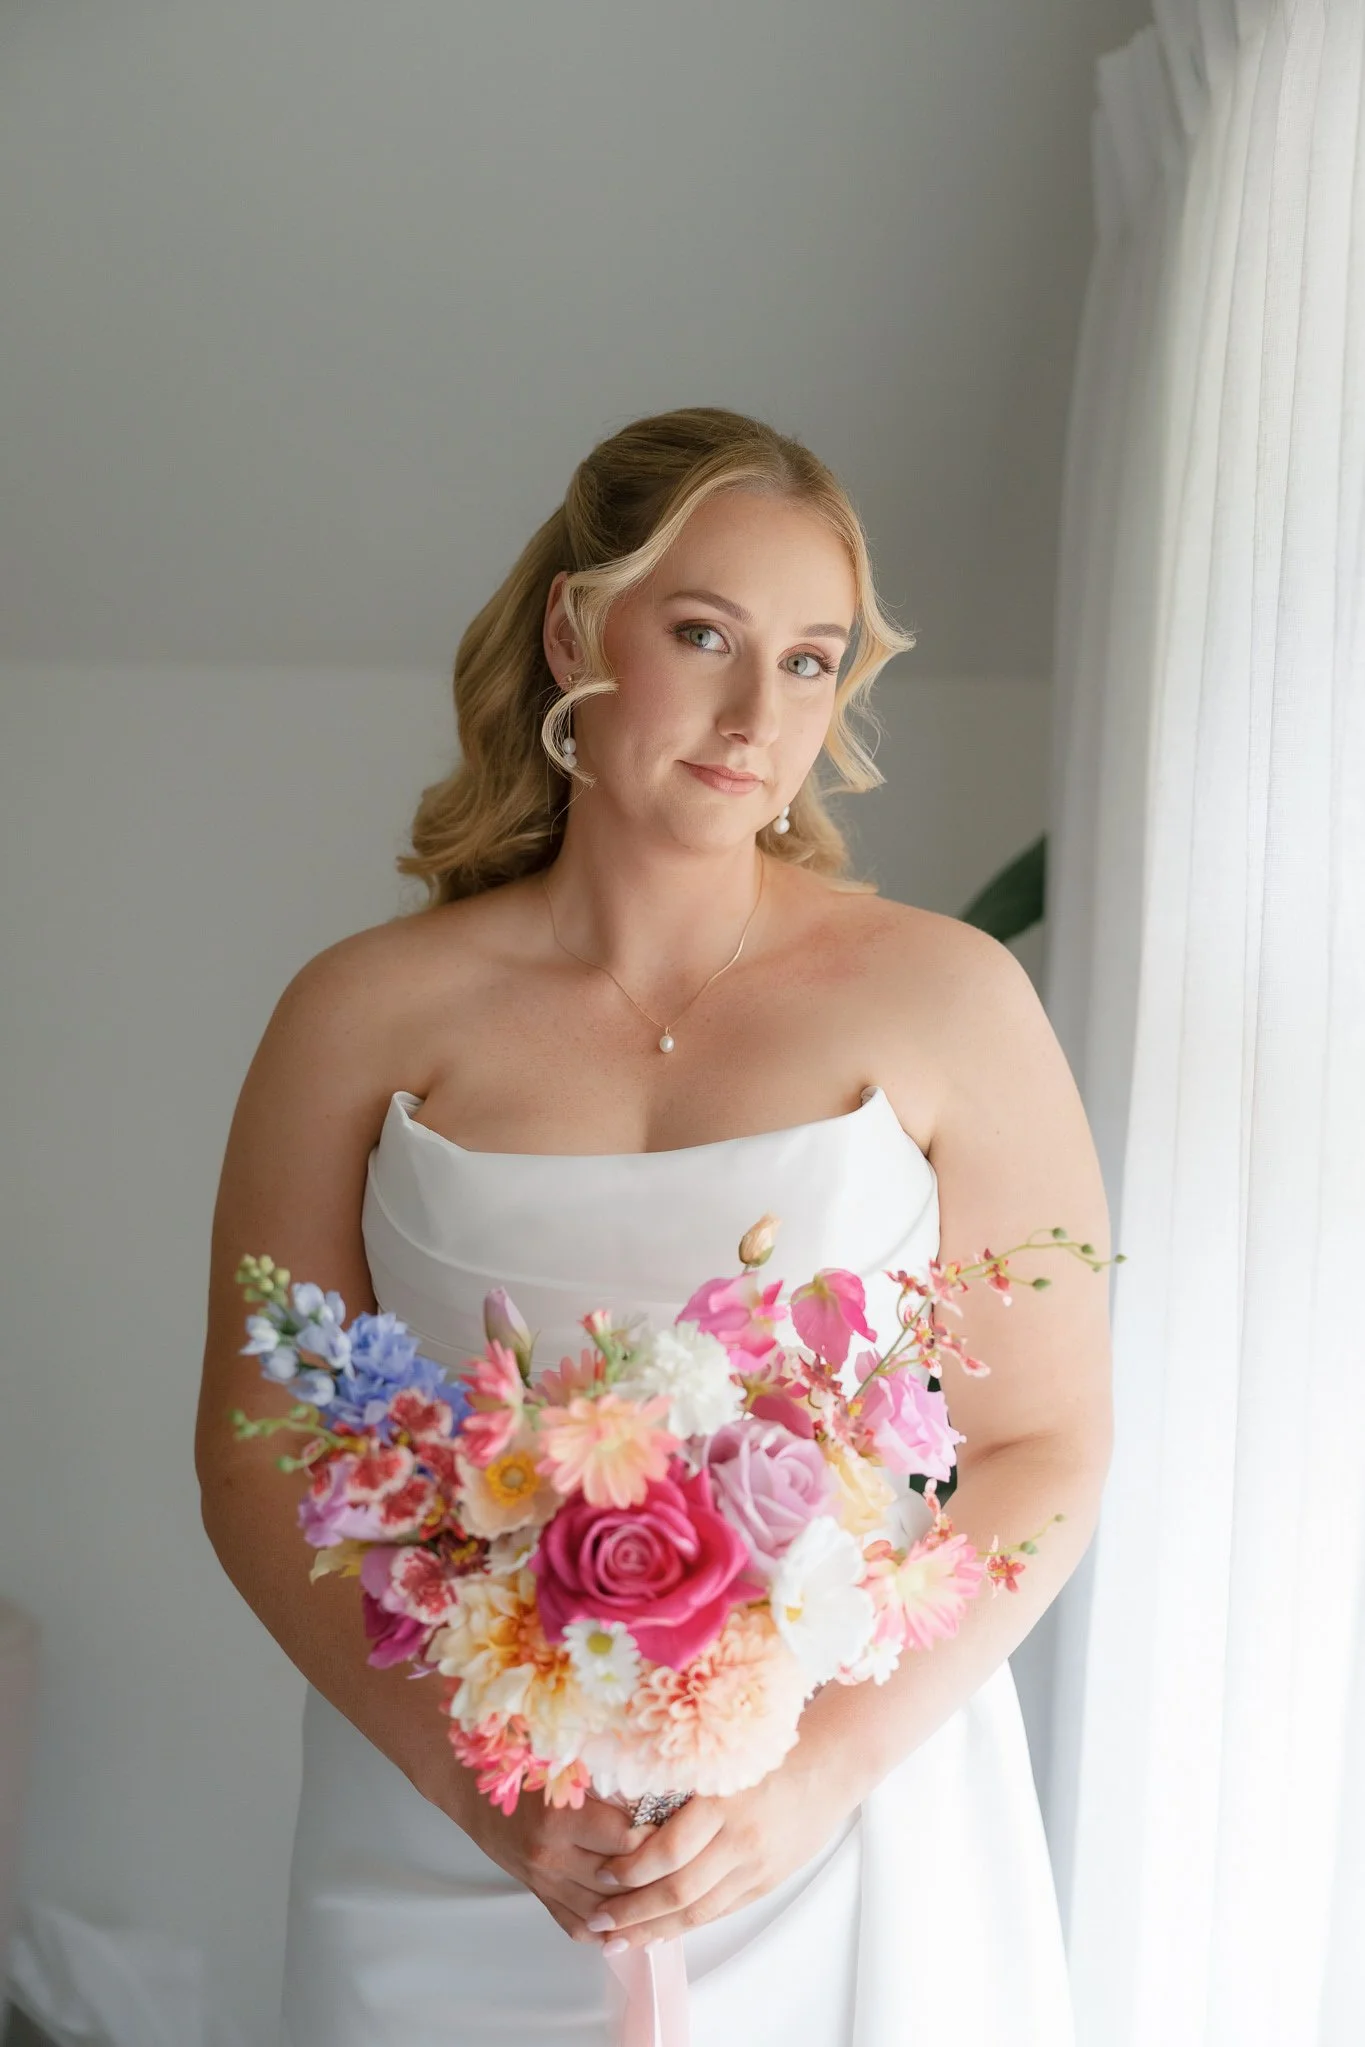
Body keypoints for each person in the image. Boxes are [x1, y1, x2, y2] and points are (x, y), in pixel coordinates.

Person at [194, 405, 1113, 2046]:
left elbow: (1044, 1440)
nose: (764, 713)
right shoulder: (356, 1013)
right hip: (456, 1821)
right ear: (574, 629)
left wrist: (818, 1773)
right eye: (706, 635)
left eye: (815, 660)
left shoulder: (949, 996)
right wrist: (487, 1801)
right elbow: (264, 1449)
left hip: (849, 1829)